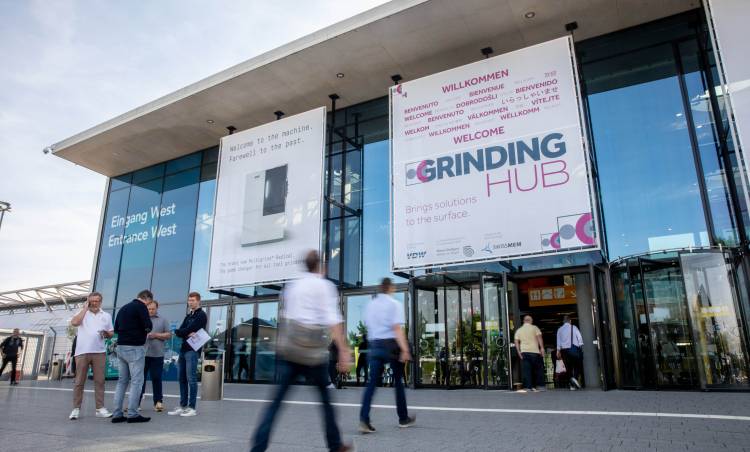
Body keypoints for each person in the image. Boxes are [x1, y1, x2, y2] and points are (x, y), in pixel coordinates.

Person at [250, 250, 353, 452]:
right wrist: (343, 350)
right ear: (320, 266)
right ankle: (335, 446)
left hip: (289, 351)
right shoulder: (324, 286)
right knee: (326, 402)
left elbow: (286, 317)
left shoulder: (293, 286)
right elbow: (333, 321)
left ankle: (257, 448)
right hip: (313, 355)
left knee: (275, 403)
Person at [359, 278, 415, 434]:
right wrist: (405, 349)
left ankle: (364, 419)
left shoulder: (371, 305)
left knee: (372, 383)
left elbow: (368, 327)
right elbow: (396, 328)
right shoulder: (394, 304)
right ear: (390, 288)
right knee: (398, 381)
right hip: (391, 346)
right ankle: (403, 418)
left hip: (374, 346)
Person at [68, 293, 113, 420]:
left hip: (99, 352)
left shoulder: (106, 316)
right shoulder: (82, 313)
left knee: (100, 381)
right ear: (88, 301)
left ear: (100, 302)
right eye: (91, 301)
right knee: (79, 381)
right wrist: (84, 309)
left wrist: (106, 333)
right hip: (82, 352)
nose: (94, 303)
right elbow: (74, 323)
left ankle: (100, 408)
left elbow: (111, 332)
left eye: (96, 301)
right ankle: (76, 409)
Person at [111, 289, 153, 423]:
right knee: (136, 381)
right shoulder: (141, 307)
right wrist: (143, 331)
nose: (148, 306)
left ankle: (117, 414)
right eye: (149, 303)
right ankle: (133, 414)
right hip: (135, 348)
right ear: (147, 299)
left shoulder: (123, 308)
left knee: (122, 381)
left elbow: (116, 328)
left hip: (121, 347)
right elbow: (148, 325)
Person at [169, 291, 207, 417]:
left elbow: (187, 329)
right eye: (189, 300)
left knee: (191, 379)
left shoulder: (201, 315)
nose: (190, 302)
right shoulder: (188, 315)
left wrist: (183, 331)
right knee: (182, 379)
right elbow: (181, 330)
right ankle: (183, 406)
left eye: (193, 300)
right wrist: (184, 332)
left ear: (198, 301)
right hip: (183, 349)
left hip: (193, 350)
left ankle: (192, 408)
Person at [139, 300, 171, 411]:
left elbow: (169, 335)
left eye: (153, 309)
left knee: (156, 378)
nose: (151, 311)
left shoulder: (163, 320)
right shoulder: (141, 320)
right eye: (149, 309)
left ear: (157, 308)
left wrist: (156, 335)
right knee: (140, 379)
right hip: (142, 354)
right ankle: (136, 403)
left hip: (157, 355)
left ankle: (158, 402)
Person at [514, 315, 545, 393]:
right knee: (538, 369)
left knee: (527, 370)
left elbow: (516, 342)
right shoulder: (535, 328)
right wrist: (542, 348)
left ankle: (528, 387)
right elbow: (539, 338)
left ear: (524, 321)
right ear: (531, 321)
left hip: (524, 352)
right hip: (535, 352)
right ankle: (540, 386)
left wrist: (519, 352)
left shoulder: (519, 330)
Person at [556, 315, 584, 390]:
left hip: (564, 351)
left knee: (568, 367)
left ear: (563, 321)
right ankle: (574, 379)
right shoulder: (574, 327)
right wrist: (580, 345)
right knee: (577, 365)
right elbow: (579, 337)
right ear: (570, 321)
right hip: (574, 349)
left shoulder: (559, 330)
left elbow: (558, 341)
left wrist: (558, 351)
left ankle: (572, 385)